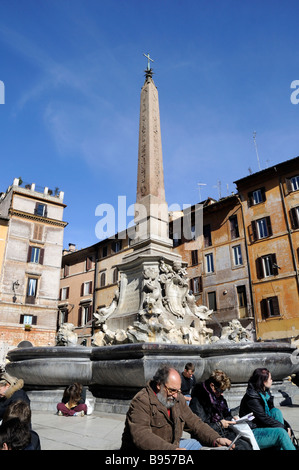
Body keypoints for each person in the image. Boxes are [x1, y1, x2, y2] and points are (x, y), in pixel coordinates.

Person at [121, 364, 233, 450]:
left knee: (197, 444)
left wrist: (215, 438)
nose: (176, 395)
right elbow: (142, 436)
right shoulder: (142, 401)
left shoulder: (177, 398)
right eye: (172, 390)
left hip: (172, 445)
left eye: (178, 391)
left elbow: (195, 423)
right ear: (159, 385)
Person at [189, 369, 252, 450]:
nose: (222, 393)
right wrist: (219, 425)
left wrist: (232, 419)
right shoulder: (199, 400)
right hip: (208, 437)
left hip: (223, 432)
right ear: (212, 386)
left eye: (223, 391)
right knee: (240, 447)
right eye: (220, 390)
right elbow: (199, 427)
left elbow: (225, 415)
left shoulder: (218, 399)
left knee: (247, 444)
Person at [239, 368, 296, 450]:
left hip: (260, 425)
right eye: (270, 379)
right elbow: (264, 418)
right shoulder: (252, 397)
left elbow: (270, 411)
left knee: (276, 412)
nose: (272, 380)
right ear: (263, 381)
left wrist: (285, 426)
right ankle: (283, 440)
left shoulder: (264, 391)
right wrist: (283, 428)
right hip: (253, 432)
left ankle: (281, 446)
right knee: (281, 433)